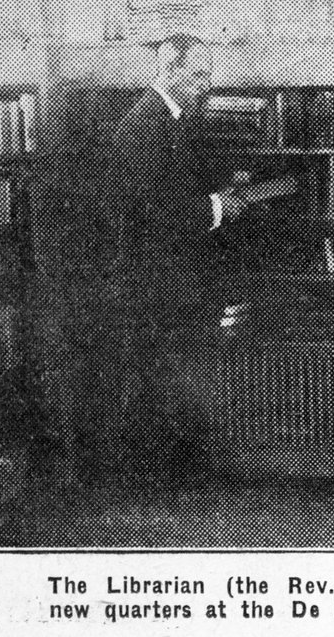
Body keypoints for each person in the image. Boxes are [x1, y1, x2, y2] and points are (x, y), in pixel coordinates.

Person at [104, 33, 250, 485]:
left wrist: (223, 184)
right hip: (156, 277)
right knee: (164, 374)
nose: (207, 83)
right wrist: (220, 206)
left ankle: (176, 474)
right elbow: (157, 211)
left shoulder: (172, 119)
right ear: (168, 69)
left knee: (175, 372)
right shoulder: (143, 124)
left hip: (174, 274)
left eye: (209, 74)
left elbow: (172, 186)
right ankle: (159, 480)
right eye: (198, 74)